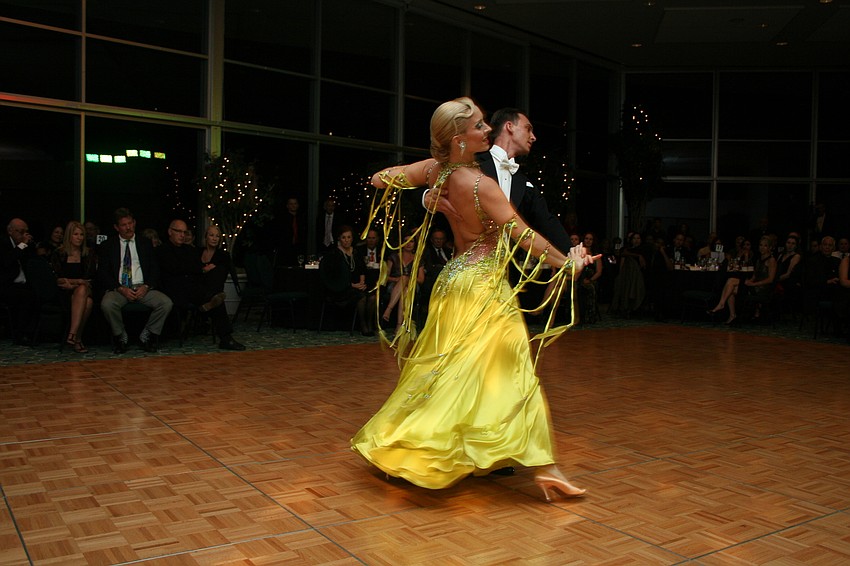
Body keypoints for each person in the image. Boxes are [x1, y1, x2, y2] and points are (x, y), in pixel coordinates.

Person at [352, 97, 597, 500]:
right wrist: (567, 263)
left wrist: (429, 192)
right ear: (459, 138)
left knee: (453, 373)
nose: (488, 130)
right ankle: (542, 466)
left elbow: (382, 178)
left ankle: (420, 444)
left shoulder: (439, 170)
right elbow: (524, 235)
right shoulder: (481, 184)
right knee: (511, 370)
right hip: (484, 287)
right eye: (480, 126)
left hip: (453, 281)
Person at [97, 207, 173, 353]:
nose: (128, 227)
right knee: (107, 304)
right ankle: (120, 336)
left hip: (142, 287)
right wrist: (120, 288)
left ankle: (147, 334)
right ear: (116, 227)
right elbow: (103, 273)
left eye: (130, 223)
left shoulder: (145, 243)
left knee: (165, 303)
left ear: (135, 223)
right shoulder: (108, 245)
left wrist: (147, 286)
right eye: (124, 225)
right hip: (120, 288)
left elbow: (155, 269)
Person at [49, 221, 97, 353]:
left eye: (82, 234)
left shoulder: (88, 254)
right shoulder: (59, 253)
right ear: (69, 236)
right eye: (76, 234)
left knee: (82, 290)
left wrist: (73, 282)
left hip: (84, 290)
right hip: (64, 294)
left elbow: (88, 280)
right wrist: (77, 281)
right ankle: (77, 338)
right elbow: (58, 280)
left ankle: (72, 333)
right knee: (88, 303)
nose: (79, 237)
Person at [319, 225, 376, 336]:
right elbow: (334, 277)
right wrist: (353, 285)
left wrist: (362, 283)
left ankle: (370, 325)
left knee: (373, 296)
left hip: (357, 284)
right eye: (344, 237)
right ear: (339, 239)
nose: (346, 240)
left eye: (349, 237)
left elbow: (362, 269)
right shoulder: (334, 255)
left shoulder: (356, 252)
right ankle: (363, 326)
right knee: (361, 297)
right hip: (342, 288)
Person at [198, 225, 246, 350]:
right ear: (206, 237)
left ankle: (225, 338)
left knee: (216, 296)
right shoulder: (197, 253)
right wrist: (203, 270)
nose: (214, 238)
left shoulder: (222, 256)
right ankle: (226, 339)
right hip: (197, 289)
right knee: (217, 298)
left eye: (217, 236)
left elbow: (220, 277)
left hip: (212, 290)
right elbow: (192, 272)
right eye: (211, 235)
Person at [709, 236, 777, 324]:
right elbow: (754, 276)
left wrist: (752, 284)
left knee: (731, 281)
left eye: (765, 246)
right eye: (761, 245)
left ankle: (721, 305)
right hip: (754, 285)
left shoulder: (771, 260)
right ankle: (732, 315)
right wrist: (750, 281)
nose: (762, 247)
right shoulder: (759, 260)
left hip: (762, 289)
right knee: (730, 288)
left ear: (770, 248)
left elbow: (770, 279)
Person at [1, 218, 38, 345]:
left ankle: (32, 334)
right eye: (20, 231)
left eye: (26, 232)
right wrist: (22, 245)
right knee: (27, 298)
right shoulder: (3, 243)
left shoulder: (25, 244)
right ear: (10, 231)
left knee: (38, 294)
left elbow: (33, 259)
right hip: (6, 285)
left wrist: (28, 245)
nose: (24, 235)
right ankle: (21, 334)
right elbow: (7, 260)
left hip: (23, 284)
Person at [381, 231, 425, 334]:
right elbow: (385, 277)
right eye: (406, 241)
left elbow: (421, 280)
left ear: (415, 243)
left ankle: (389, 309)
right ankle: (399, 326)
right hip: (394, 285)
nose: (409, 244)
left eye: (412, 241)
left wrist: (407, 279)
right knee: (404, 290)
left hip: (413, 286)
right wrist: (399, 280)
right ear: (402, 242)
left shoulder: (418, 259)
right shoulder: (393, 257)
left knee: (405, 282)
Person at [276, 196, 306, 266]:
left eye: (295, 204)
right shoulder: (282, 219)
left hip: (299, 247)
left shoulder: (302, 218)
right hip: (286, 247)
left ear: (298, 205)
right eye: (291, 204)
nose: (293, 206)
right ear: (287, 206)